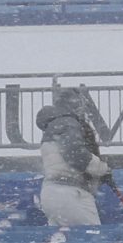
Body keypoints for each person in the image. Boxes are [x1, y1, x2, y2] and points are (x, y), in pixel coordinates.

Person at [33, 87, 113, 228]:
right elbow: (74, 153)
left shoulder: (52, 127)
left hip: (50, 192)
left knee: (64, 242)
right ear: (74, 104)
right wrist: (101, 168)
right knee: (92, 239)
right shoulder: (68, 122)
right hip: (70, 192)